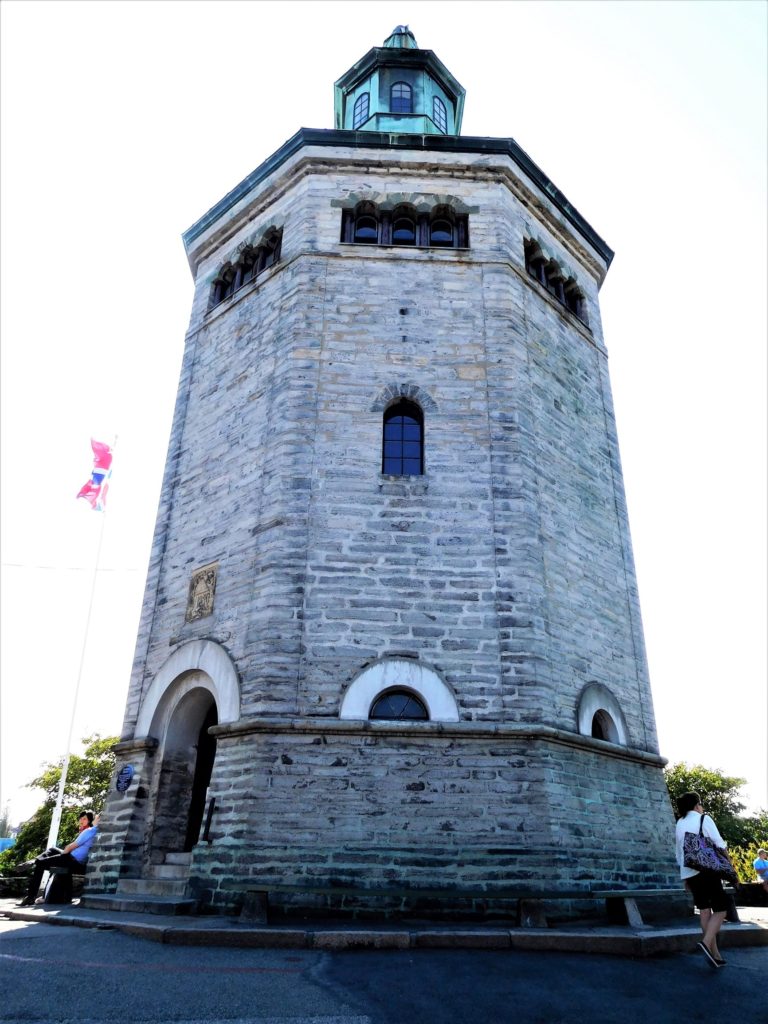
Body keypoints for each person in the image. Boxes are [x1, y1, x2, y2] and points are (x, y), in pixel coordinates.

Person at [675, 791, 730, 968]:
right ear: (696, 804)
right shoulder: (704, 819)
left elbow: (679, 852)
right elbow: (719, 843)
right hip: (707, 870)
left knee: (705, 911)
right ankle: (706, 943)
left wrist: (684, 877)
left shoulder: (680, 822)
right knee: (721, 910)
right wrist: (729, 865)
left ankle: (715, 954)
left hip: (690, 872)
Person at [16, 809, 99, 907]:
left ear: (93, 820)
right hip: (75, 859)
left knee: (40, 864)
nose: (82, 820)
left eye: (85, 819)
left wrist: (62, 856)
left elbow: (69, 847)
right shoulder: (92, 831)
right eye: (81, 818)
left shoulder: (90, 831)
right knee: (53, 849)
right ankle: (34, 860)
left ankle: (30, 896)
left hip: (72, 860)